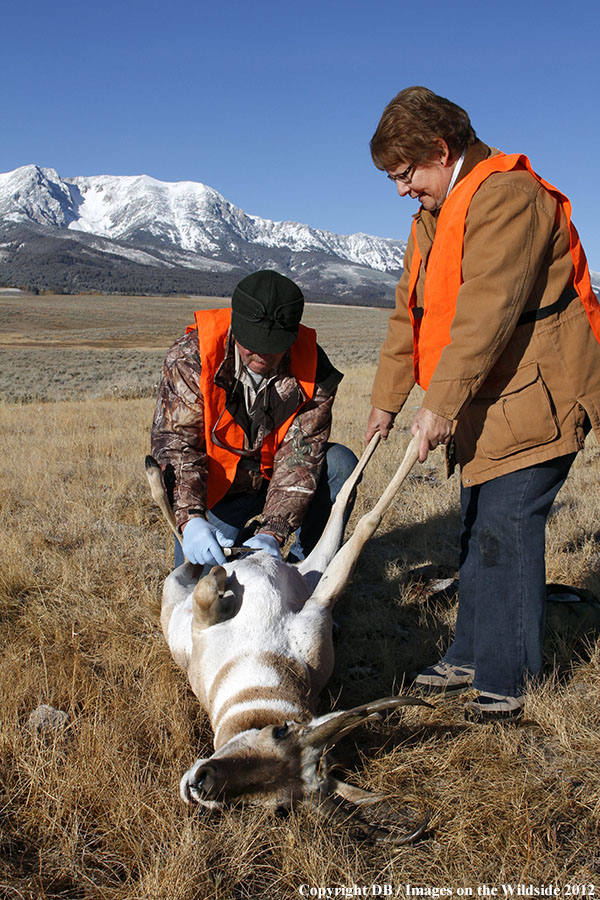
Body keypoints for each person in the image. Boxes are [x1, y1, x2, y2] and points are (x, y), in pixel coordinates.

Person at [365, 86, 600, 723]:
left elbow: (485, 315)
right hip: (492, 400)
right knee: (476, 526)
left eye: (406, 174)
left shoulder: (508, 197)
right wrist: (387, 402)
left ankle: (506, 683)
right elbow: (410, 313)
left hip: (538, 397)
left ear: (441, 151)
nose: (401, 190)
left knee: (505, 528)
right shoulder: (433, 216)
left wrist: (439, 405)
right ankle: (470, 655)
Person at [151, 269, 357, 569]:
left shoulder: (314, 370)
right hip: (218, 494)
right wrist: (191, 518)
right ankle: (234, 534)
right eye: (252, 341)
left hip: (277, 481)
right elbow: (177, 442)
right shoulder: (192, 357)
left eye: (273, 345)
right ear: (235, 325)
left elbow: (300, 458)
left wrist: (272, 531)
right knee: (202, 586)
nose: (262, 353)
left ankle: (306, 568)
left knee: (340, 464)